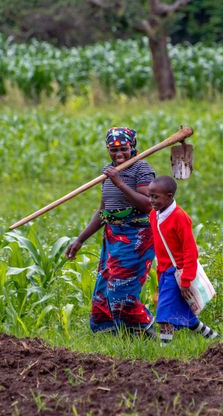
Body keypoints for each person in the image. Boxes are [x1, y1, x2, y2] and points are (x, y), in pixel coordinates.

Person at [65, 127, 157, 335]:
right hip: (113, 238)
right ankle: (112, 333)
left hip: (136, 239)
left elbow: (148, 205)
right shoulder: (108, 171)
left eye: (123, 149)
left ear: (132, 147)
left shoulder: (141, 169)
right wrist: (80, 239)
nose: (118, 154)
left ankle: (147, 330)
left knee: (121, 290)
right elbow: (103, 211)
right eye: (113, 150)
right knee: (104, 291)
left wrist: (118, 182)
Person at [148, 176, 219, 346]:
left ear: (170, 195)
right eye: (150, 196)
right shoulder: (154, 215)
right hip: (165, 272)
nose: (151, 200)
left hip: (177, 273)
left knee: (164, 313)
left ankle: (164, 350)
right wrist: (159, 277)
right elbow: (160, 249)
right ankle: (213, 337)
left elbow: (190, 250)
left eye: (155, 197)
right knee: (185, 314)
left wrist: (186, 279)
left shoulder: (179, 217)